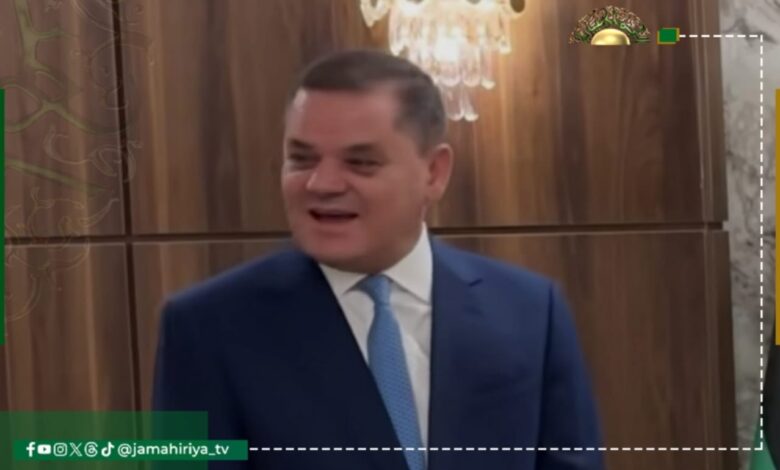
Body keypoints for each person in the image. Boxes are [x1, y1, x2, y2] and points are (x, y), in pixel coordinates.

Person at [152, 48, 604, 470]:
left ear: (434, 172)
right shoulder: (204, 327)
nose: (322, 184)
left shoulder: (531, 311)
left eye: (361, 163)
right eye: (302, 159)